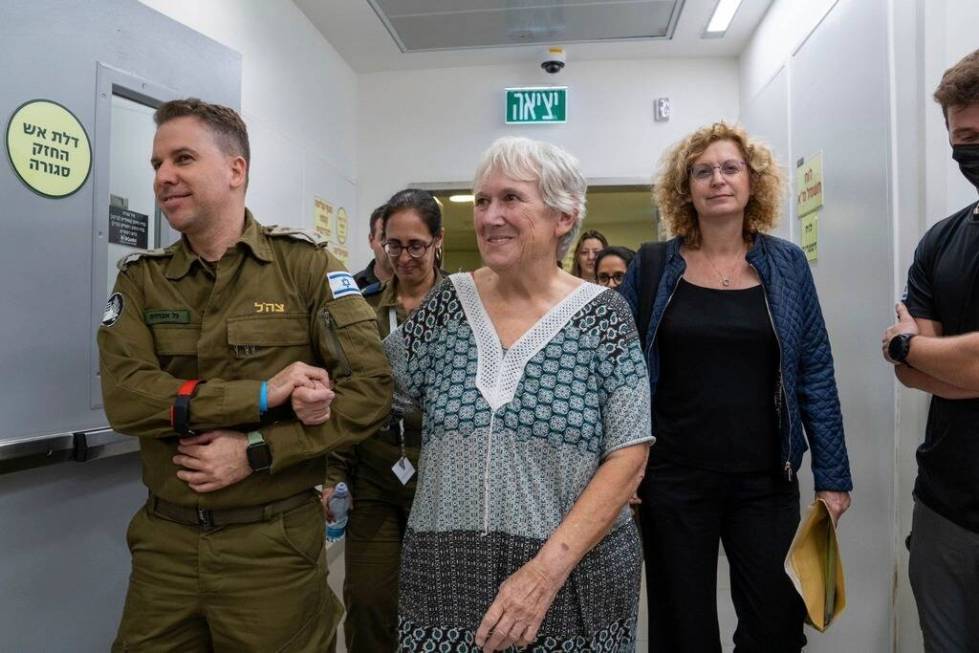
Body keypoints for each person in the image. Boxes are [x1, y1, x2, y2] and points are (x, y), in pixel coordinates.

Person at [97, 98, 392, 652]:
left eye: (182, 158)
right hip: (165, 546)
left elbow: (369, 394)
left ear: (237, 170)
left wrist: (256, 449)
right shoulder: (141, 280)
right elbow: (125, 398)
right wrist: (259, 394)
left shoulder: (305, 267)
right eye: (156, 164)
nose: (164, 177)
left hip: (272, 547)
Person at [386, 136, 652, 651]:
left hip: (572, 580)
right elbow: (374, 387)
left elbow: (629, 452)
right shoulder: (449, 301)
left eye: (511, 199)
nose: (489, 217)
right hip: (446, 579)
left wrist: (544, 574)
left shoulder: (605, 315)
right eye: (482, 201)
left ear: (563, 216)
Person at [619, 121, 852, 653]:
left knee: (774, 628)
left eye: (730, 168)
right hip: (674, 480)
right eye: (703, 171)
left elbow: (814, 369)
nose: (717, 180)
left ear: (753, 181)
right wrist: (624, 467)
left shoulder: (787, 264)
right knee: (682, 630)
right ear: (686, 188)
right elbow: (621, 375)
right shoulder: (653, 266)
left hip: (766, 480)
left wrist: (833, 478)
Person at [882, 49, 979, 650]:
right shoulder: (941, 241)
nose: (972, 146)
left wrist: (913, 347)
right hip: (944, 508)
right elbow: (910, 373)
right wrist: (914, 351)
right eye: (964, 135)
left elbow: (917, 352)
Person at [324, 188, 444, 652]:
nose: (405, 257)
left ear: (437, 241)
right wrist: (334, 475)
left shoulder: (466, 309)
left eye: (416, 245)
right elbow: (344, 394)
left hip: (442, 480)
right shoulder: (364, 311)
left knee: (438, 604)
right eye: (394, 245)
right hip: (375, 473)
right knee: (370, 601)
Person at [353, 203, 394, 288]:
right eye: (383, 237)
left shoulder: (423, 289)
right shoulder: (352, 288)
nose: (390, 246)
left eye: (397, 240)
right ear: (371, 240)